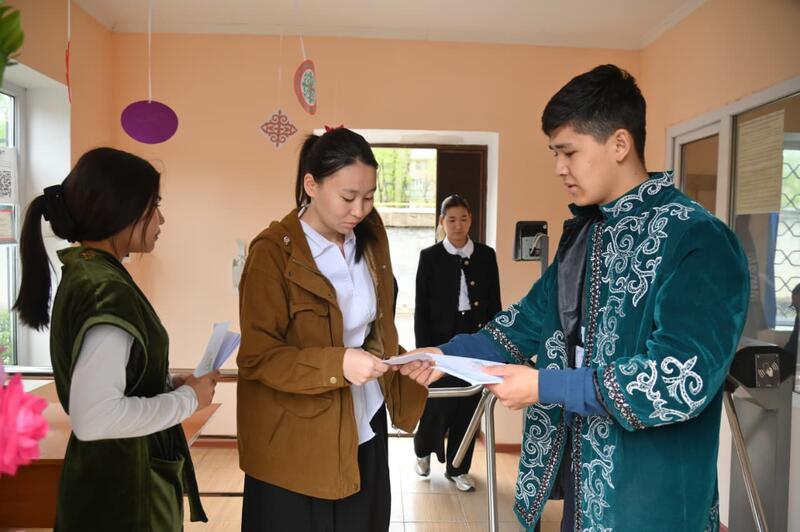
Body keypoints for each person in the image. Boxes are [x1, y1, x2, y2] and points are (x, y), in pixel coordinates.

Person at [402, 64, 750, 531]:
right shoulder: (586, 235)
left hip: (651, 500)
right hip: (580, 486)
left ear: (620, 144)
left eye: (569, 151)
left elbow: (678, 379)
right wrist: (446, 354)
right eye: (555, 153)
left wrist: (544, 386)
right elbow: (525, 322)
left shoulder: (698, 240)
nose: (559, 168)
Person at [13, 147, 219, 531]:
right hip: (123, 496)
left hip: (109, 485)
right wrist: (188, 400)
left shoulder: (89, 273)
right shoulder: (106, 291)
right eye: (154, 206)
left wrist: (162, 384)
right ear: (122, 210)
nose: (161, 219)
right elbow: (95, 417)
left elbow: (113, 379)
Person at [236, 127, 427, 532]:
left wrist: (401, 360)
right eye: (348, 197)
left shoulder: (370, 239)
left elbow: (374, 327)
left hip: (364, 420)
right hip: (296, 439)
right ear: (311, 185)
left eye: (370, 197)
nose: (360, 210)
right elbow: (258, 357)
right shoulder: (272, 254)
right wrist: (338, 364)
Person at [412, 194, 501, 491]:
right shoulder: (430, 256)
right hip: (440, 340)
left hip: (475, 336)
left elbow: (495, 303)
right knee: (437, 402)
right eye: (451, 220)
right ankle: (423, 450)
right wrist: (424, 350)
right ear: (442, 222)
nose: (458, 225)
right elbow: (421, 308)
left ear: (471, 220)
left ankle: (458, 467)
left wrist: (497, 345)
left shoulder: (486, 255)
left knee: (469, 403)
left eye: (463, 219)